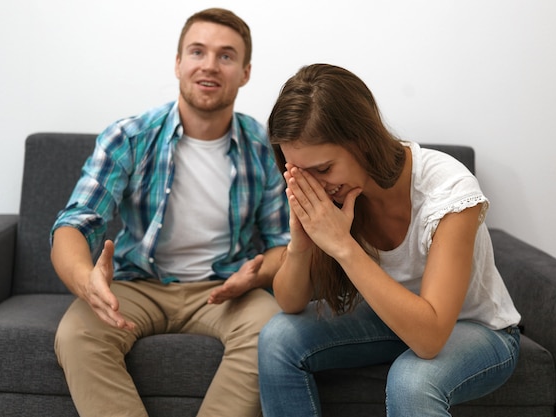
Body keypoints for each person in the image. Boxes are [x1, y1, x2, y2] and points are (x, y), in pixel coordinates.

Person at [50, 8, 290, 417]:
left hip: (225, 288)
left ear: (246, 72)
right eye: (197, 52)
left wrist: (260, 272)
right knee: (76, 334)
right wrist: (85, 281)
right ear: (178, 63)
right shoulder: (129, 136)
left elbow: (283, 244)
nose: (210, 65)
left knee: (276, 333)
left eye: (226, 56)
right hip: (138, 284)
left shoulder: (266, 147)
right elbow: (76, 222)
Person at [257, 63, 521, 417]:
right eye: (302, 173)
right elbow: (290, 303)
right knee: (278, 338)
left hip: (476, 329)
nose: (317, 187)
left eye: (323, 169)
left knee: (412, 381)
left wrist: (343, 246)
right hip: (391, 321)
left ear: (363, 141)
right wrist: (301, 242)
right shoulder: (335, 195)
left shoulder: (448, 190)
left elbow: (429, 339)